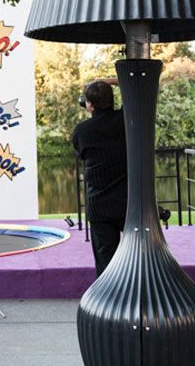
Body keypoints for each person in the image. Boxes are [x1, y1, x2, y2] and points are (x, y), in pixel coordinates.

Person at [72, 79, 127, 277]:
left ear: (89, 104)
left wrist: (95, 84)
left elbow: (82, 153)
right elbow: (135, 85)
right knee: (140, 256)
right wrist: (108, 81)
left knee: (105, 263)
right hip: (129, 203)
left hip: (99, 205)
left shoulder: (82, 130)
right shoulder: (127, 119)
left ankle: (108, 304)